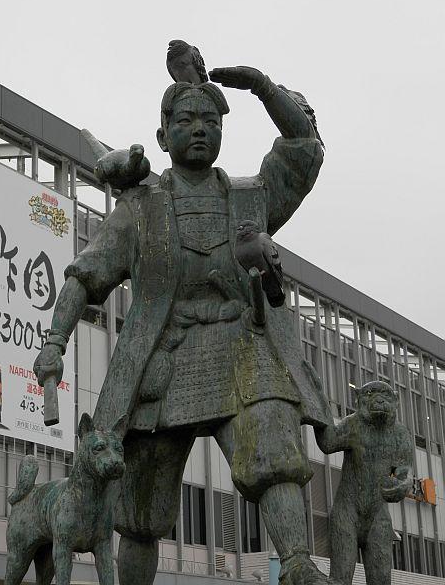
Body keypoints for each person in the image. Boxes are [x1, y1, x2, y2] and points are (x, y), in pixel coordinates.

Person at [34, 63, 335, 585]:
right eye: (187, 120)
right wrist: (54, 341)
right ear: (162, 134)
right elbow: (86, 277)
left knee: (273, 449)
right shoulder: (139, 209)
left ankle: (297, 564)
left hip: (242, 346)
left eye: (211, 121)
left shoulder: (250, 197)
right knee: (140, 515)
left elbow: (304, 145)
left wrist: (264, 87)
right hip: (163, 361)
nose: (200, 128)